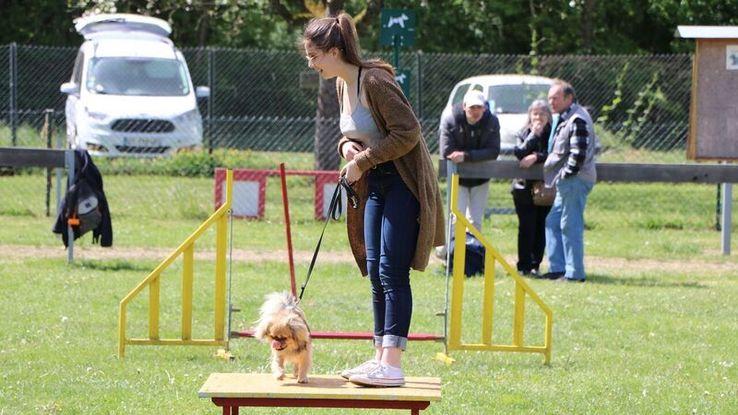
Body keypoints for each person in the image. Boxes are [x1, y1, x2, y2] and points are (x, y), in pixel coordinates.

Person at [303, 13, 444, 387]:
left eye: (315, 55)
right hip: (373, 185)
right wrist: (346, 146)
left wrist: (361, 161)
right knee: (374, 268)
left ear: (334, 51)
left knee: (392, 271)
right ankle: (379, 355)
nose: (311, 62)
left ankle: (393, 365)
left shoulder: (376, 81)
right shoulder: (340, 86)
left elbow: (408, 132)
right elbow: (354, 133)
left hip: (402, 183)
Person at [542, 79, 597, 283]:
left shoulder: (578, 119)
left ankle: (574, 274)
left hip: (574, 180)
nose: (551, 102)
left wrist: (565, 175)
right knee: (553, 221)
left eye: (555, 98)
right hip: (566, 181)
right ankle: (557, 268)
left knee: (570, 225)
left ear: (568, 98)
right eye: (549, 98)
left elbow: (578, 154)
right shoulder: (565, 117)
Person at [439, 90, 501, 234]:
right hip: (457, 179)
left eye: (479, 107)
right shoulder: (451, 120)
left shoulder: (492, 121)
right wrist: (472, 156)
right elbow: (446, 151)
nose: (476, 111)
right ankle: (452, 252)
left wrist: (466, 156)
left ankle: (473, 254)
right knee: (455, 219)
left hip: (481, 179)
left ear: (484, 108)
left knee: (475, 222)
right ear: (464, 107)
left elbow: (493, 151)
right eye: (472, 107)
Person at [511, 100, 552, 277]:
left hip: (545, 187)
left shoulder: (553, 133)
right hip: (523, 187)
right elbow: (519, 152)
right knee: (526, 227)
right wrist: (533, 136)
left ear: (548, 116)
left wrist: (536, 156)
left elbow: (554, 154)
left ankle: (536, 264)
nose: (538, 117)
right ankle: (524, 266)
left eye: (542, 114)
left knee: (540, 226)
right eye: (535, 114)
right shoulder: (523, 132)